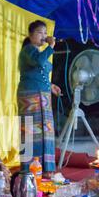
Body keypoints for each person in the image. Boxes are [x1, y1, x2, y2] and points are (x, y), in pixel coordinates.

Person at [17, 20, 62, 178]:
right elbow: (38, 61)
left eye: (45, 32)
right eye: (40, 32)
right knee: (31, 131)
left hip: (43, 96)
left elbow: (38, 73)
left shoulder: (38, 52)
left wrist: (51, 86)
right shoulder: (28, 50)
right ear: (30, 35)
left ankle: (46, 168)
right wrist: (50, 47)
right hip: (30, 96)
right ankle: (29, 168)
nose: (44, 35)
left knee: (45, 131)